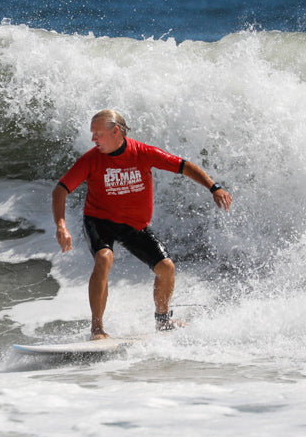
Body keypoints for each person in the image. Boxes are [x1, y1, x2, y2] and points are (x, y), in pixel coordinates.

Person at [52, 109, 232, 339]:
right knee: (104, 258)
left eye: (98, 133)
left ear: (115, 131)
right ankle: (97, 329)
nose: (93, 139)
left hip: (133, 225)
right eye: (92, 134)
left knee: (166, 268)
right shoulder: (91, 160)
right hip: (99, 221)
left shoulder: (143, 153)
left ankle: (163, 321)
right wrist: (61, 225)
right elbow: (60, 191)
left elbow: (184, 166)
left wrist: (213, 187)